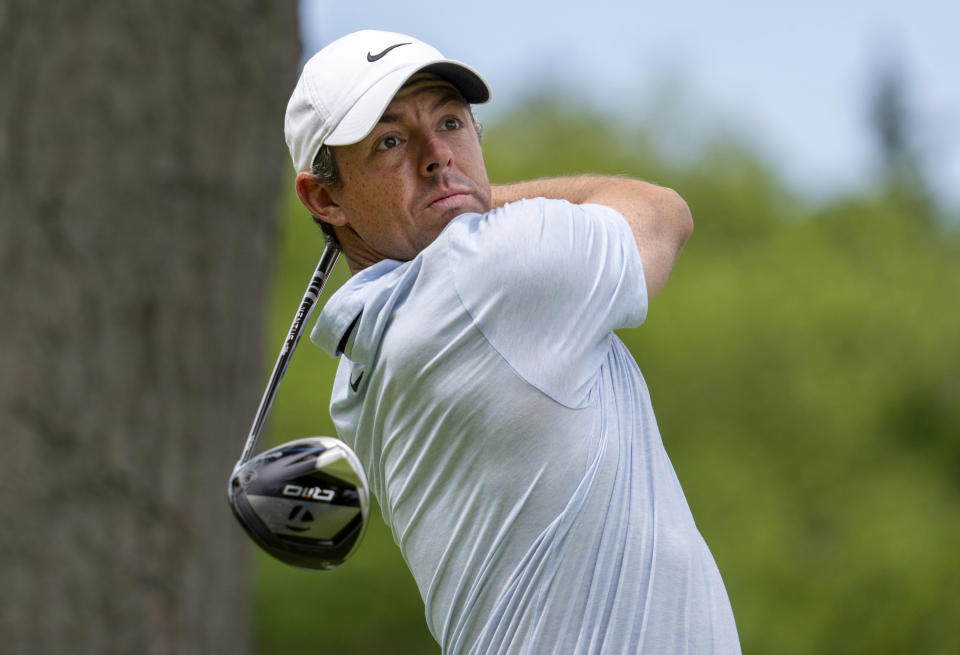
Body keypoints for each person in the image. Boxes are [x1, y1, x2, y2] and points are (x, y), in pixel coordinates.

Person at [285, 29, 741, 654]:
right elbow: (662, 212)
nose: (436, 155)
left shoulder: (359, 369)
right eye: (390, 141)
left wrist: (447, 205)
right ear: (323, 197)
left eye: (450, 123)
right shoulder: (490, 271)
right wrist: (472, 203)